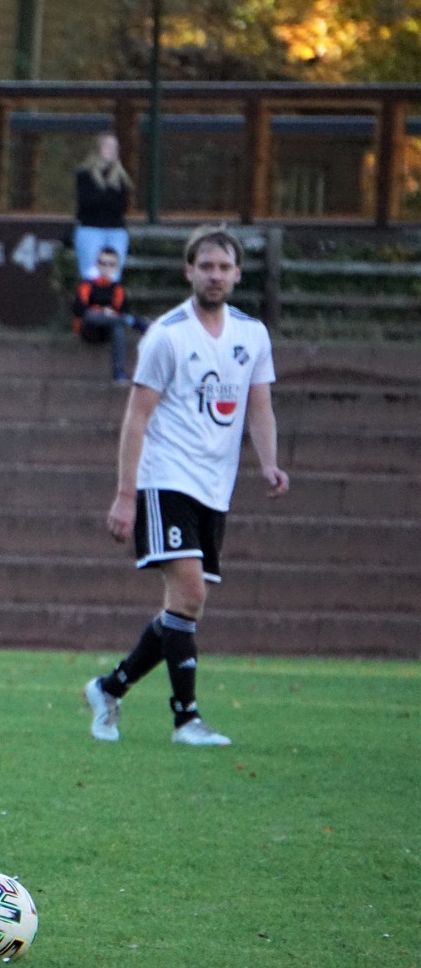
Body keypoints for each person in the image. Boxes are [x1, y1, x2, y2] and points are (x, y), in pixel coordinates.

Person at [85, 225, 289, 747]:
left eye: (224, 267)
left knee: (183, 606)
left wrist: (269, 463)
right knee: (190, 593)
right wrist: (126, 495)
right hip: (165, 479)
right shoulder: (167, 334)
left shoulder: (252, 335)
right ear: (189, 272)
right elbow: (136, 417)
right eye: (206, 266)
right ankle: (186, 720)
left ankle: (109, 688)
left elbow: (260, 406)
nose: (215, 275)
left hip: (214, 487)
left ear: (237, 274)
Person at [72, 247, 149, 384]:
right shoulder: (87, 286)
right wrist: (102, 311)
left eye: (111, 264)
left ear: (116, 267)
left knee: (118, 327)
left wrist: (111, 315)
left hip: (108, 330)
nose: (106, 268)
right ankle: (133, 322)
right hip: (89, 328)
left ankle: (118, 371)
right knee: (91, 315)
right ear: (97, 265)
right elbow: (80, 309)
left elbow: (122, 310)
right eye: (103, 263)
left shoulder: (118, 290)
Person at [73, 132, 132, 283]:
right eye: (108, 146)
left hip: (116, 230)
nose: (113, 150)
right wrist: (107, 197)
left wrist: (104, 198)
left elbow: (121, 205)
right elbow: (87, 202)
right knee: (91, 275)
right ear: (98, 149)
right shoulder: (84, 175)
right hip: (91, 229)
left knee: (113, 276)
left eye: (115, 147)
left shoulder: (121, 178)